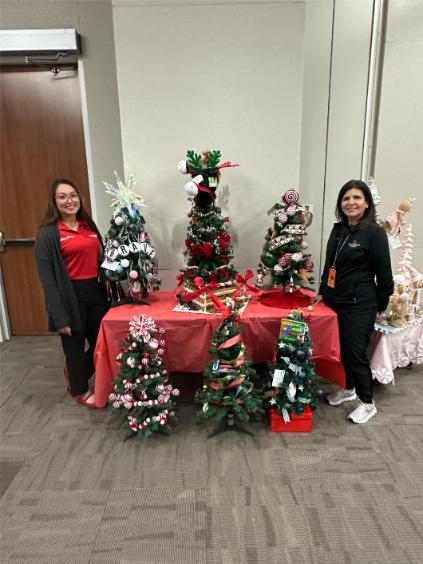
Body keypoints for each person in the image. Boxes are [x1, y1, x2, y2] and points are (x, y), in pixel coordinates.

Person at [314, 180, 393, 423]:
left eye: (357, 197)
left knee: (355, 353)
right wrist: (323, 290)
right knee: (341, 350)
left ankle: (367, 403)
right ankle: (348, 389)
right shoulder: (339, 229)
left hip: (360, 303)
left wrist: (380, 305)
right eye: (346, 198)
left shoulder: (374, 233)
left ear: (367, 203)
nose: (351, 202)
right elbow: (330, 265)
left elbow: (385, 276)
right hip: (335, 300)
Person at [35, 179, 109, 408]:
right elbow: (48, 280)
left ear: (80, 198)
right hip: (70, 296)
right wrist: (59, 316)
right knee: (74, 348)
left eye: (73, 195)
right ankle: (79, 389)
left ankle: (76, 373)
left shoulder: (89, 225)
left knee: (103, 343)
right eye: (62, 196)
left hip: (95, 292)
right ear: (54, 202)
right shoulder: (48, 234)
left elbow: (101, 257)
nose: (69, 200)